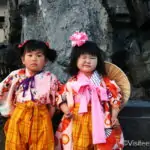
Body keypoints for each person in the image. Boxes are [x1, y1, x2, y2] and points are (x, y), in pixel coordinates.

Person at [55, 32, 130, 150]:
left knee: (102, 145)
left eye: (92, 58)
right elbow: (60, 96)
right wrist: (65, 110)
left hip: (100, 117)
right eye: (83, 57)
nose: (88, 61)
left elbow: (115, 96)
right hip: (76, 117)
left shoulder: (104, 81)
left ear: (98, 61)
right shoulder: (72, 81)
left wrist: (114, 115)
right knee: (78, 145)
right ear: (76, 60)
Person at [0, 39, 68, 150]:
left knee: (43, 146)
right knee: (15, 145)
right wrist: (11, 111)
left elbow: (60, 94)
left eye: (39, 55)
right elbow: (2, 89)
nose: (34, 59)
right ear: (23, 59)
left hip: (42, 117)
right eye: (30, 55)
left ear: (45, 60)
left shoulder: (50, 78)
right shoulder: (16, 75)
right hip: (19, 116)